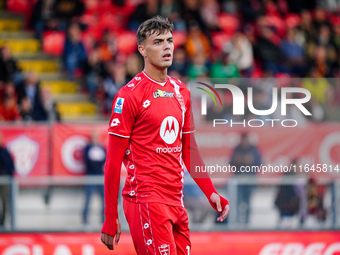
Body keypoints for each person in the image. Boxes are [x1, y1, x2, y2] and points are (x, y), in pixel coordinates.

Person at [100, 16, 229, 254]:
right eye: (158, 42)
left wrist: (210, 192)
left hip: (176, 200)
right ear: (142, 50)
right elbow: (112, 163)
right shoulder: (128, 96)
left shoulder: (181, 91)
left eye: (169, 40)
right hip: (146, 199)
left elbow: (189, 150)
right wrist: (110, 216)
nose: (167, 46)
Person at [229, 132, 261, 225]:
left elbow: (259, 162)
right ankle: (237, 221)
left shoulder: (254, 149)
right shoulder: (237, 149)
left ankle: (247, 222)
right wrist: (241, 160)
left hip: (250, 180)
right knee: (238, 201)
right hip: (238, 180)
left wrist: (249, 161)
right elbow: (231, 162)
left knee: (248, 202)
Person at [82, 130, 106, 227]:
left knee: (104, 199)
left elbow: (105, 159)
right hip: (91, 175)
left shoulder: (101, 147)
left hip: (100, 175)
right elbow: (87, 161)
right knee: (88, 197)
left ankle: (104, 219)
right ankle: (85, 219)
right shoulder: (88, 147)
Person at [0, 132, 15, 227]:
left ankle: (2, 223)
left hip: (4, 181)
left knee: (5, 202)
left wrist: (9, 176)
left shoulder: (5, 152)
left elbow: (11, 166)